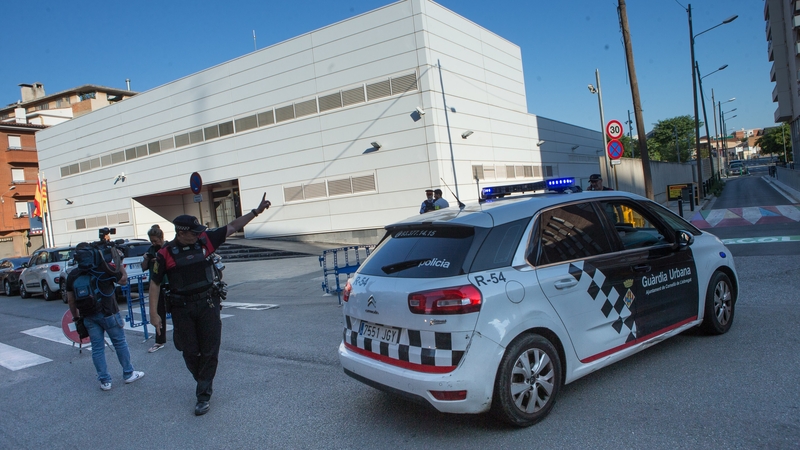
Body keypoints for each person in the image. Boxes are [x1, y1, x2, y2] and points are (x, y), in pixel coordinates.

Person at [148, 194, 271, 416]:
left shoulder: (205, 241)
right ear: (181, 232)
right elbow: (155, 284)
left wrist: (256, 211)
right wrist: (153, 315)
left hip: (207, 304)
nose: (197, 235)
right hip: (181, 308)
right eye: (193, 232)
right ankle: (203, 380)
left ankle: (203, 394)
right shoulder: (165, 254)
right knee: (189, 351)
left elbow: (232, 226)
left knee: (210, 350)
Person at [66, 242, 144, 391]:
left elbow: (71, 300)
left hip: (88, 316)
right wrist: (118, 262)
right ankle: (128, 374)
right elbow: (123, 280)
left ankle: (105, 381)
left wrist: (76, 318)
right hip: (109, 312)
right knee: (120, 343)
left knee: (97, 348)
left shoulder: (73, 275)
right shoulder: (103, 269)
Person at [142, 224, 168, 353]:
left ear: (161, 238)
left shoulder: (168, 248)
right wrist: (147, 259)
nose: (154, 243)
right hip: (155, 285)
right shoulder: (150, 250)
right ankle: (159, 340)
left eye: (156, 241)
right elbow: (143, 267)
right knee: (159, 312)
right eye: (152, 241)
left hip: (168, 283)